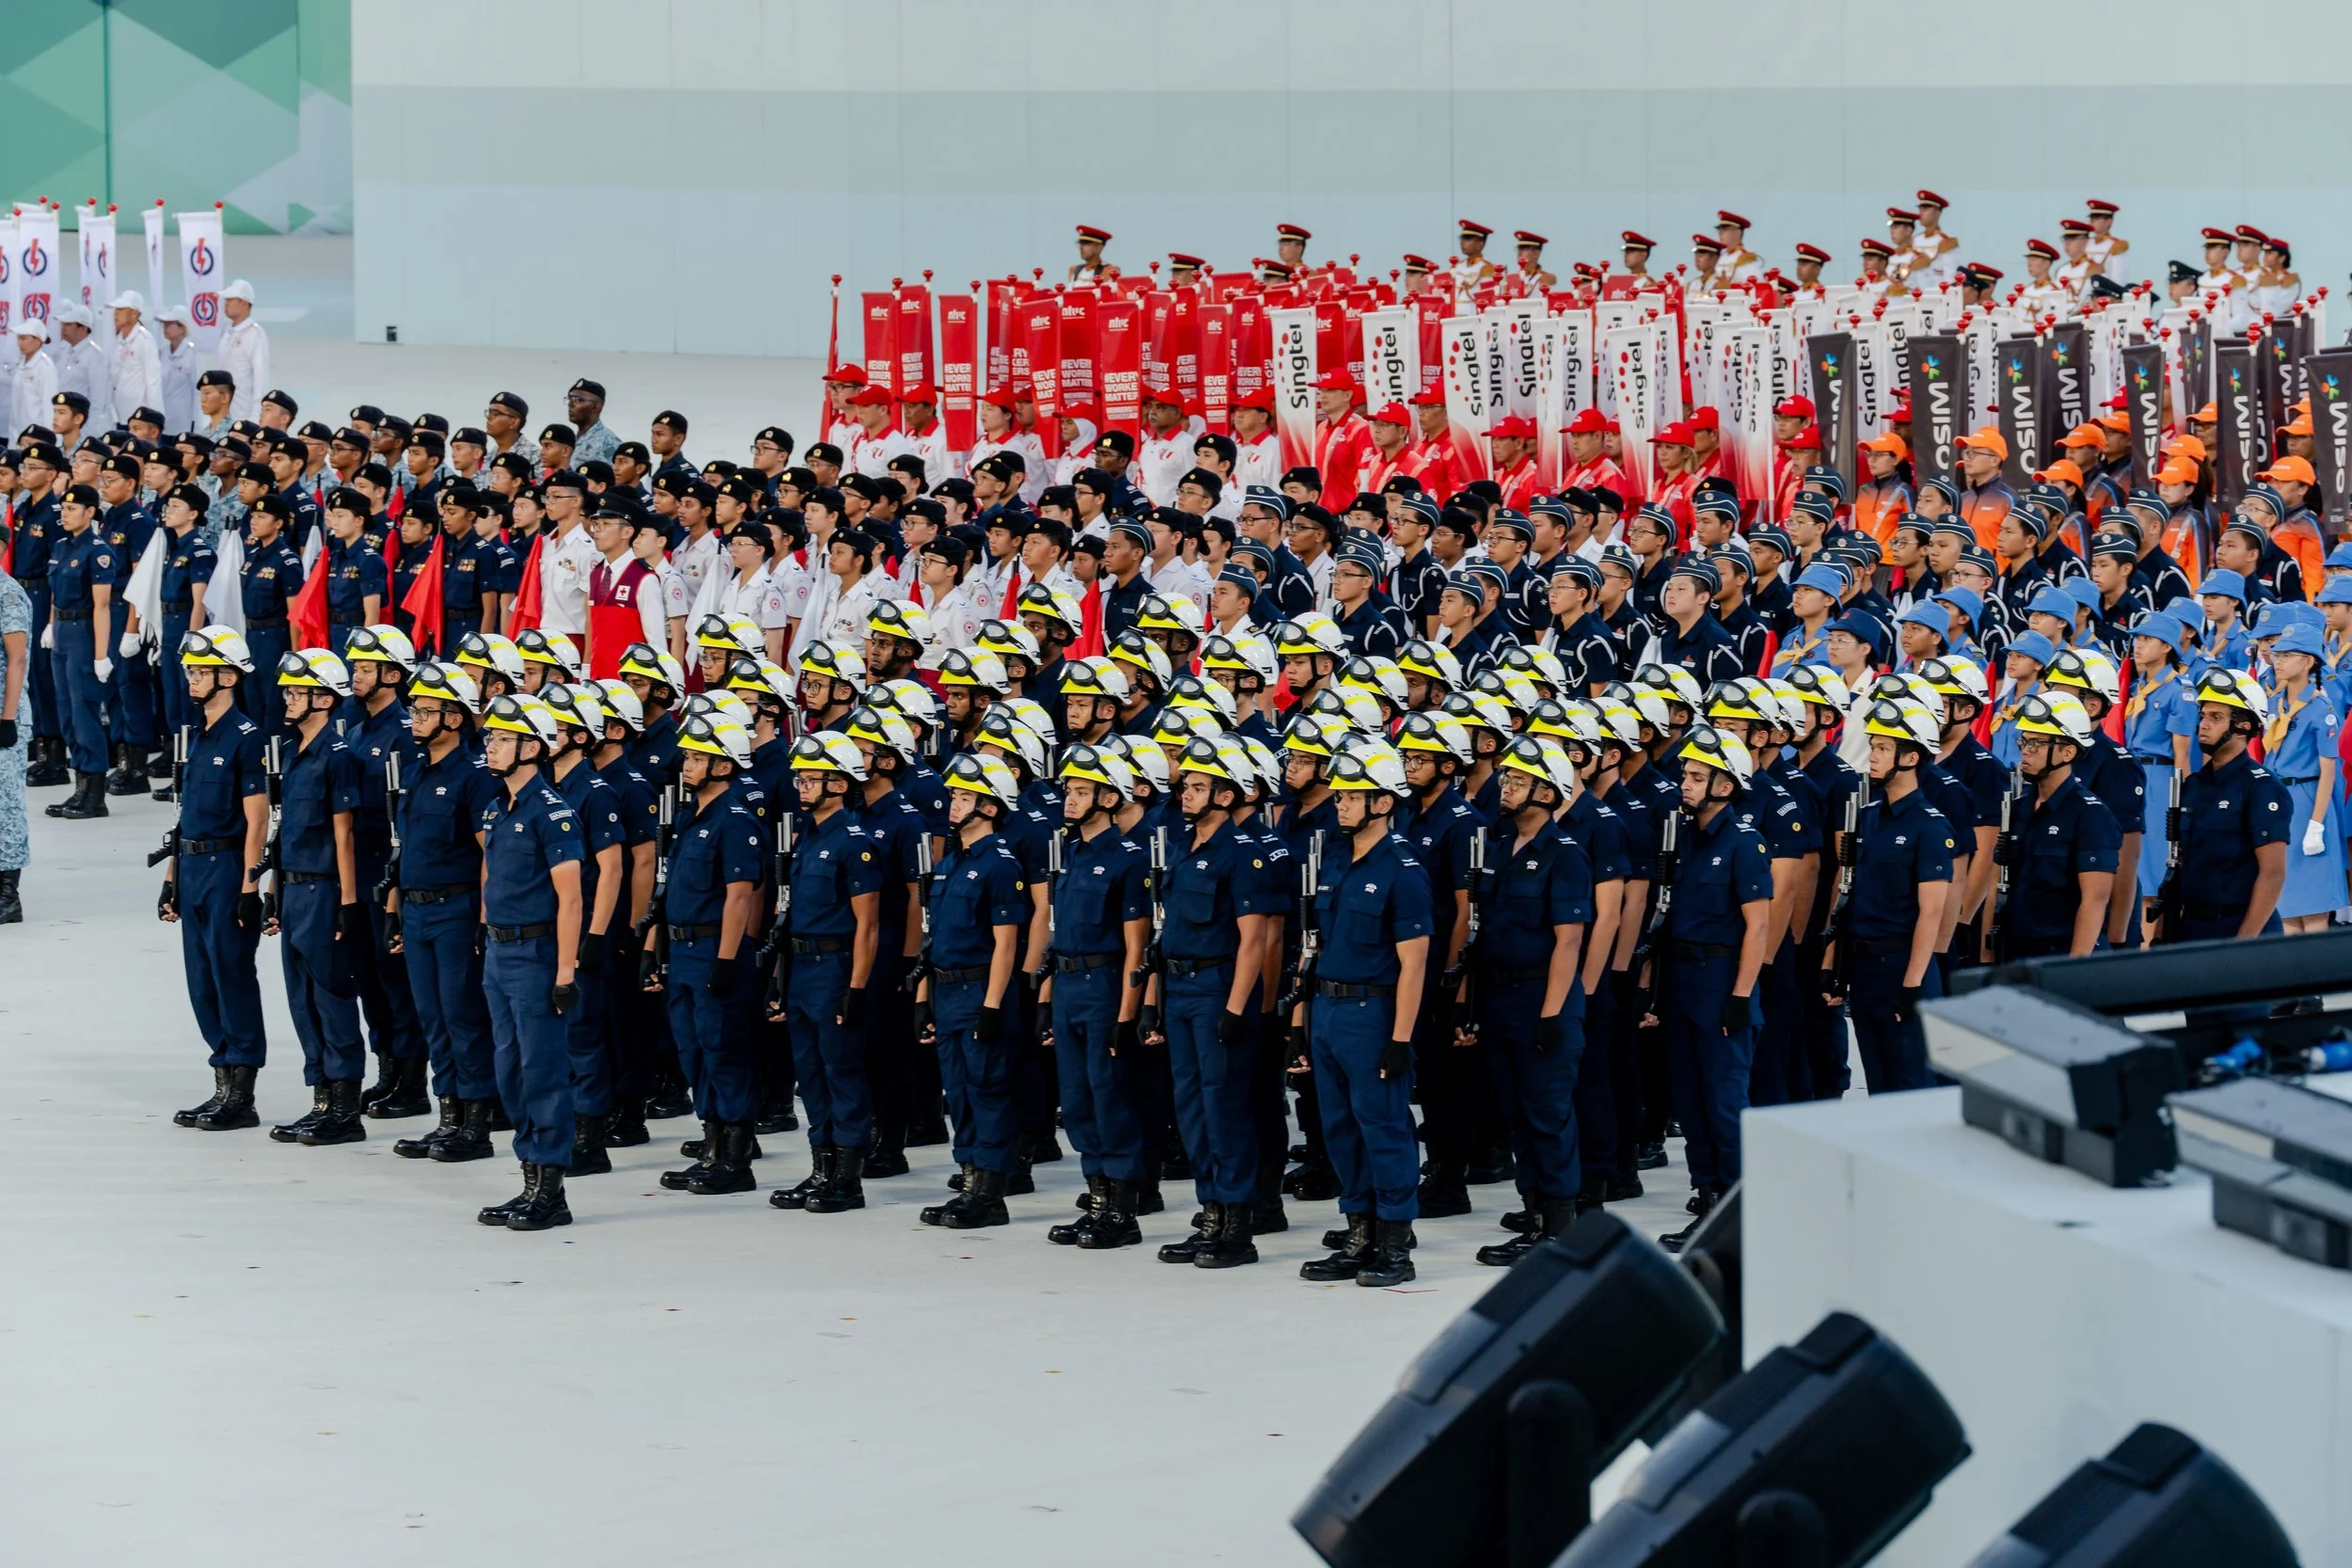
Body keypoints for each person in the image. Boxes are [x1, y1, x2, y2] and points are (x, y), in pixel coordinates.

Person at [1148, 736, 1278, 1269]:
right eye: (1187, 785)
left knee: (1224, 1107)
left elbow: (1255, 939)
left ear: (1225, 796)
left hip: (1217, 989)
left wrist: (1235, 1007)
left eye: (1200, 787)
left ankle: (1238, 1226)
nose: (1187, 794)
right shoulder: (1184, 849)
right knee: (1192, 1108)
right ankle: (1210, 1215)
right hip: (1180, 989)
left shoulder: (1243, 856)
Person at [1649, 723, 1772, 1252]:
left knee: (1725, 1104)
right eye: (1685, 775)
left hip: (1722, 980)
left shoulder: (1744, 842)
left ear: (1726, 785)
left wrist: (1742, 995)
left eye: (1698, 777)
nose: (1686, 784)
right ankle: (1709, 1199)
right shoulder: (1686, 840)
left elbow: (1759, 927)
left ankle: (1742, 1213)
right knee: (1692, 1100)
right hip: (1683, 983)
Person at [386, 660, 504, 1163]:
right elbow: (404, 847)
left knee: (463, 1017)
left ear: (455, 718)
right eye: (415, 709)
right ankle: (448, 1116)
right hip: (415, 911)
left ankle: (475, 1124)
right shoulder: (417, 769)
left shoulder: (474, 777)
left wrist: (482, 921)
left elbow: (490, 854)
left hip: (456, 910)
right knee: (432, 1017)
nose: (414, 717)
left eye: (426, 710)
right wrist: (394, 908)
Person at [158, 628, 273, 1132]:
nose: (192, 679)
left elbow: (258, 819)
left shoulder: (246, 739)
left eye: (201, 671)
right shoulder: (196, 735)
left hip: (228, 870)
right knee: (201, 982)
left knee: (231, 976)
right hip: (194, 865)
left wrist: (251, 886)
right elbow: (184, 817)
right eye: (190, 671)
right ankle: (221, 1080)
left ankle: (242, 1094)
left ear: (228, 676)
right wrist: (171, 878)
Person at [767, 732, 884, 1214]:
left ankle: (848, 1178)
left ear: (839, 783)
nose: (801, 786)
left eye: (811, 778)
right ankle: (821, 1166)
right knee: (810, 1073)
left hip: (836, 967)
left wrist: (856, 987)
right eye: (799, 778)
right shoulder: (805, 834)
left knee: (842, 1072)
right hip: (802, 967)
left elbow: (868, 924)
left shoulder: (854, 843)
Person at [1042, 744, 1153, 1249]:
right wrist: (1046, 997)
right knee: (1077, 1099)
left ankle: (1122, 1212)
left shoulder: (1128, 860)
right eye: (1069, 790)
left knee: (1111, 1097)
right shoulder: (1070, 855)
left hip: (1105, 985)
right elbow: (1053, 931)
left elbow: (1137, 946)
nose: (1071, 799)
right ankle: (1097, 1197)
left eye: (1082, 791)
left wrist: (1127, 1014)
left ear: (1109, 798)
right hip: (1067, 985)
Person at [653, 707, 768, 1196]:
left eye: (698, 758)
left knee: (723, 1050)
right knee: (692, 1048)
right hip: (682, 950)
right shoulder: (690, 816)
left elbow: (741, 895)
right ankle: (711, 1144)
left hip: (713, 950)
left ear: (724, 765)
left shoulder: (736, 820)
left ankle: (735, 1159)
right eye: (687, 757)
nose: (687, 765)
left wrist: (726, 958)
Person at [914, 752, 1032, 1229]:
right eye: (955, 796)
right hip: (947, 991)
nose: (954, 805)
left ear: (990, 806)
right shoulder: (950, 863)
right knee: (958, 1092)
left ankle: (990, 1191)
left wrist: (992, 1005)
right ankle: (968, 1180)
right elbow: (932, 939)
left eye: (965, 797)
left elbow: (1006, 944)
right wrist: (925, 998)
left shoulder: (1000, 865)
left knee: (988, 1090)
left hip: (981, 989)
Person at [262, 649, 373, 1148]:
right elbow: (284, 829)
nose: (288, 699)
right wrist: (273, 891)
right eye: (286, 690)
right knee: (302, 998)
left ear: (324, 699)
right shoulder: (293, 751)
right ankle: (321, 1099)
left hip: (327, 890)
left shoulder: (340, 756)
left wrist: (348, 903)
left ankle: (346, 1108)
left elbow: (344, 833)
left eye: (297, 691)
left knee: (332, 998)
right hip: (294, 888)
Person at [2160, 670, 2290, 942]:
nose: (2203, 725)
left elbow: (2273, 873)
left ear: (2243, 726)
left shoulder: (2262, 788)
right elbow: (2181, 862)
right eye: (2203, 716)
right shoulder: (2193, 785)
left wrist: (2243, 943)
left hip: (2241, 928)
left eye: (2216, 717)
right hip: (2192, 926)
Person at [1996, 689, 2120, 961]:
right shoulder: (2018, 808)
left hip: (2061, 955)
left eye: (2037, 744)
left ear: (2068, 751)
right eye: (2024, 742)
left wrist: (2073, 969)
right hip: (2016, 952)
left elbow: (2095, 900)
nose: (2026, 752)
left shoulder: (2090, 815)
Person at [2262, 625, 2344, 934]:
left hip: (2308, 799)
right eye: (2276, 654)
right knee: (2285, 903)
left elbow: (2328, 771)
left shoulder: (2321, 710)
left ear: (2309, 662)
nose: (2277, 660)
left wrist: (2317, 824)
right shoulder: (2275, 703)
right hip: (2280, 799)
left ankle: (2321, 980)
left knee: (2313, 908)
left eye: (2286, 655)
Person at [42, 481, 116, 819]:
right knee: (67, 713)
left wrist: (101, 654)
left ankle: (95, 795)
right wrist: (50, 624)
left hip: (85, 632)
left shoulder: (97, 550)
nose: (65, 515)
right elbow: (56, 592)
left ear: (90, 512)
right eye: (64, 509)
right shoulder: (60, 546)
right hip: (62, 631)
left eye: (72, 509)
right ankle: (79, 788)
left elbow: (102, 606)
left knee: (85, 711)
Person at [0, 563, 30, 923]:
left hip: (6, 717)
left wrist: (7, 718)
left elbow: (17, 656)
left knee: (5, 808)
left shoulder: (6, 592)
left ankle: (8, 895)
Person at [217, 280, 269, 424]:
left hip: (243, 415)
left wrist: (255, 417)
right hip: (224, 415)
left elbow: (261, 379)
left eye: (230, 300)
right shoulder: (227, 332)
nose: (225, 304)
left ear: (244, 303)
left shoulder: (255, 334)